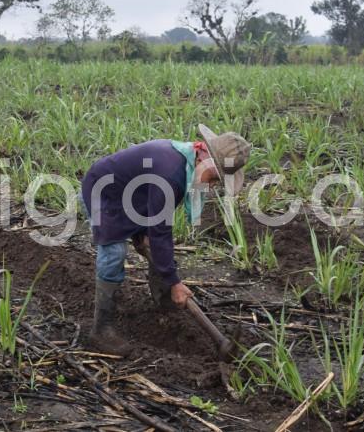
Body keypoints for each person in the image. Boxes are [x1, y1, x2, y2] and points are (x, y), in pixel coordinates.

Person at [80, 125, 251, 356]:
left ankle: (165, 302)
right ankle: (100, 329)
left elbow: (156, 223)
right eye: (215, 177)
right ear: (205, 158)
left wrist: (143, 236)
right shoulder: (171, 173)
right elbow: (161, 231)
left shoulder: (185, 165)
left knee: (157, 246)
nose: (213, 185)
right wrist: (175, 282)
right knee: (114, 254)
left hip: (134, 195)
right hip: (103, 191)